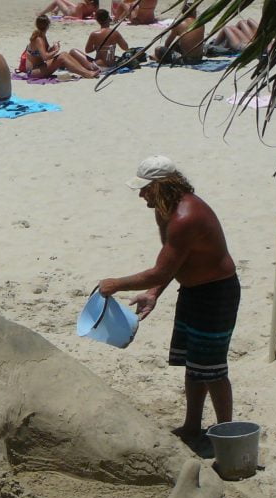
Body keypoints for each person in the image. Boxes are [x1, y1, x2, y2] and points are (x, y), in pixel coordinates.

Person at [98, 156, 239, 443]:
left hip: (216, 293)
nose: (140, 195)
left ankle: (227, 432)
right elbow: (173, 264)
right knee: (193, 363)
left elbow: (160, 271)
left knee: (213, 368)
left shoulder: (186, 217)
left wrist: (115, 284)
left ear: (163, 186)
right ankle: (191, 426)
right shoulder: (164, 210)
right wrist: (153, 294)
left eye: (145, 189)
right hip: (192, 291)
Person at [25, 15, 100, 79]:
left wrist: (53, 48)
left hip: (40, 67)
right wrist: (55, 51)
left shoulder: (41, 36)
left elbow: (45, 52)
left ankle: (86, 72)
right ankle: (87, 73)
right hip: (34, 71)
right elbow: (45, 57)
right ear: (48, 25)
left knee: (64, 54)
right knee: (62, 57)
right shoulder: (39, 39)